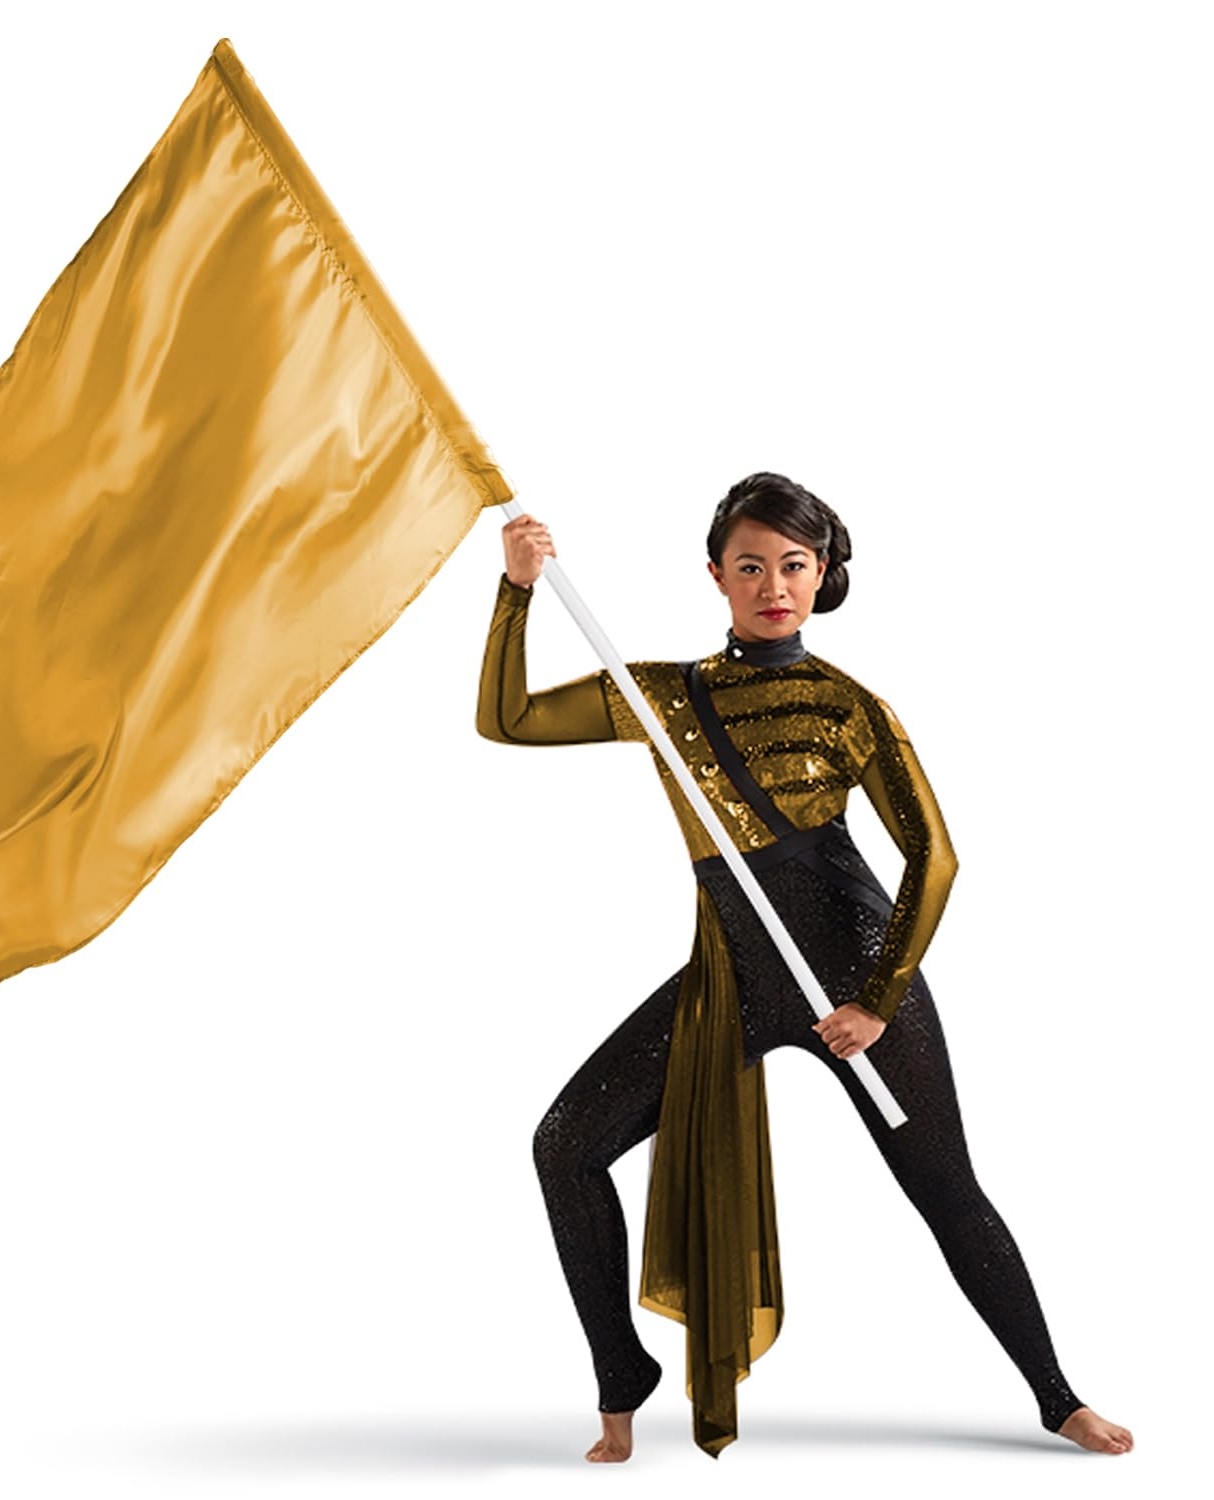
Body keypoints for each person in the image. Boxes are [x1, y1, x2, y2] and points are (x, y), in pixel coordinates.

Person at [475, 473, 1133, 1464]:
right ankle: (621, 1377)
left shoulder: (847, 704)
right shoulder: (663, 696)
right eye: (750, 566)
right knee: (564, 1145)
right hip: (733, 980)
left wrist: (878, 1000)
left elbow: (935, 858)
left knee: (947, 1190)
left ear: (822, 573)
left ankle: (1058, 1397)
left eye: (792, 565)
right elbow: (510, 719)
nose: (772, 586)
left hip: (857, 970)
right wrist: (517, 589)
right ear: (715, 576)